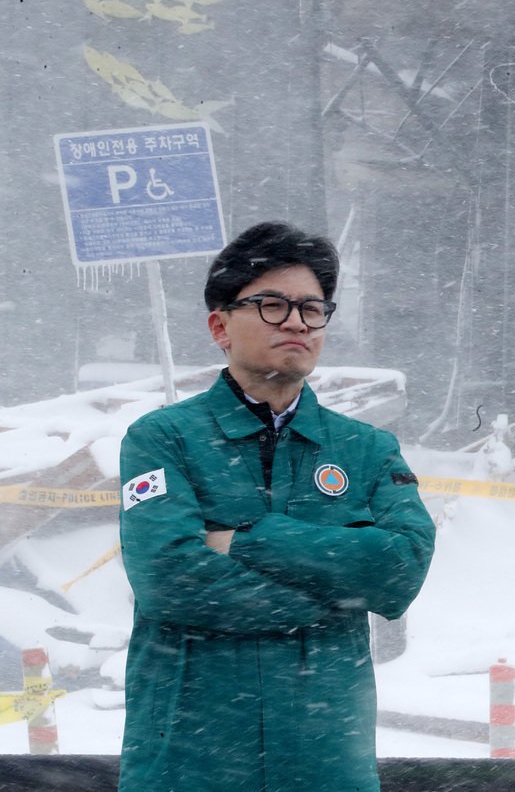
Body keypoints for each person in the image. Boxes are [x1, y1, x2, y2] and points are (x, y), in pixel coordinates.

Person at [117, 221, 436, 792]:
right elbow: (169, 578)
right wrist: (333, 591)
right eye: (271, 304)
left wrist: (245, 541)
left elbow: (401, 569)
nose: (296, 321)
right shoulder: (162, 438)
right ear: (220, 326)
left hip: (325, 761)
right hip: (191, 756)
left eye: (313, 309)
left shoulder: (366, 448)